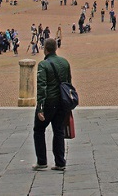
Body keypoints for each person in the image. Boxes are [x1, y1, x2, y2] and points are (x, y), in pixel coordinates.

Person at [33, 38, 71, 172]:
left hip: (49, 102)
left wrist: (40, 108)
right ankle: (60, 162)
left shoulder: (43, 65)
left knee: (38, 130)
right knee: (59, 131)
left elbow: (41, 86)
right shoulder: (65, 62)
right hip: (62, 102)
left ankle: (42, 161)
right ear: (56, 48)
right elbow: (68, 84)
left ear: (45, 49)